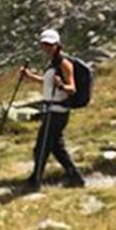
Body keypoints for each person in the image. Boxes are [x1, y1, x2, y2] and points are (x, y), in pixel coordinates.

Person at [19, 29, 86, 190]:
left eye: (50, 44)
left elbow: (72, 88)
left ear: (57, 45)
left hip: (57, 112)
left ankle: (35, 181)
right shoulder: (53, 63)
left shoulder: (64, 63)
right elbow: (47, 82)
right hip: (52, 110)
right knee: (56, 147)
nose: (47, 47)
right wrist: (30, 76)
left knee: (41, 147)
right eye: (45, 44)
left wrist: (61, 85)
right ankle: (75, 177)